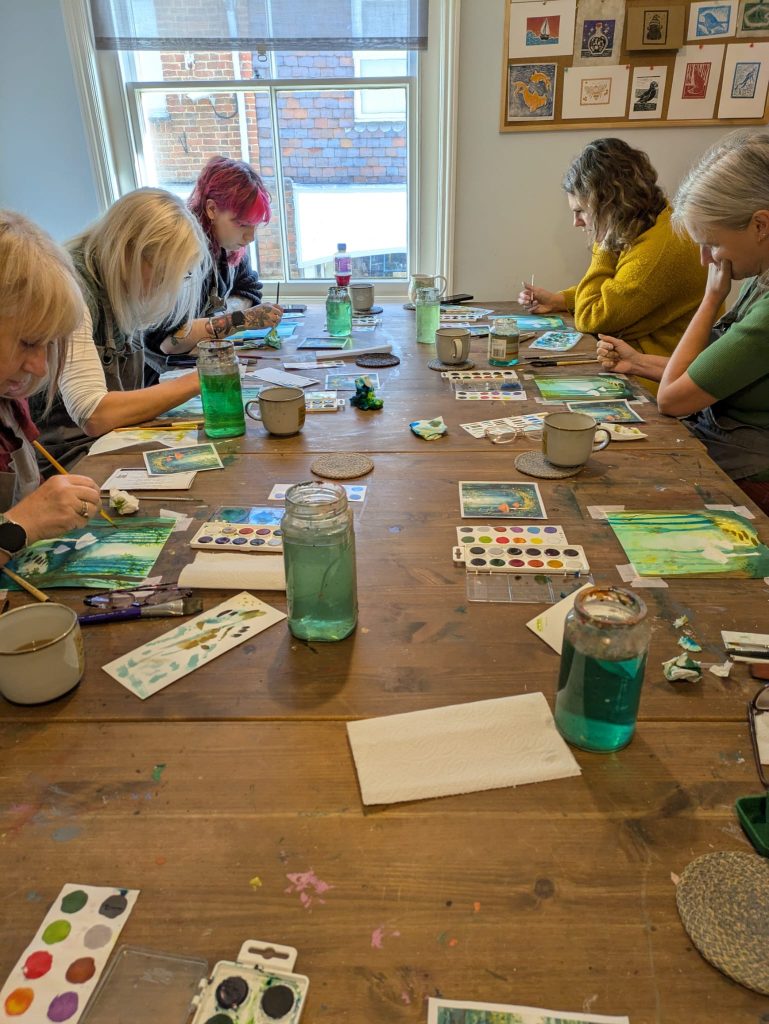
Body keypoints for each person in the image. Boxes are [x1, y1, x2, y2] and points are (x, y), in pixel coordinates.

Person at [32, 188, 212, 469]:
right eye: (162, 272)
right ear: (128, 251)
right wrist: (200, 380)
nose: (166, 286)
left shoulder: (118, 285)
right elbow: (93, 413)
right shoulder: (72, 289)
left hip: (109, 442)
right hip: (66, 462)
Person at [518, 138, 707, 389]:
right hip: (633, 361)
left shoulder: (659, 248)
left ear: (609, 205)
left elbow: (591, 317)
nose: (576, 222)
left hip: (655, 382)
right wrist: (559, 300)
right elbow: (621, 287)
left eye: (580, 211)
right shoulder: (651, 223)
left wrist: (604, 243)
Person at [652, 130, 769, 513]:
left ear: (761, 226)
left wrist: (711, 299)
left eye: (712, 243)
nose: (706, 260)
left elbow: (671, 400)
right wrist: (637, 362)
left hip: (751, 472)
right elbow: (714, 367)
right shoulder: (760, 279)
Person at [0, 210, 101, 560]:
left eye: (49, 344)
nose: (40, 367)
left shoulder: (8, 397)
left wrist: (54, 504)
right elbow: (22, 519)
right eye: (29, 342)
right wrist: (22, 524)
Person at [143, 155, 282, 384]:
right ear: (211, 209)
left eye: (255, 225)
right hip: (166, 380)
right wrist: (237, 319)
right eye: (242, 224)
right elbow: (170, 342)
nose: (250, 237)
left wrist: (220, 318)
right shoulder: (182, 252)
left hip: (204, 366)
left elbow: (249, 290)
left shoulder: (230, 245)